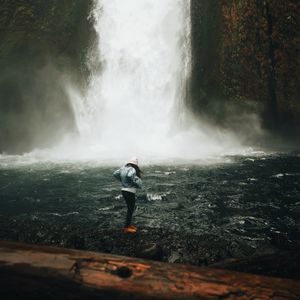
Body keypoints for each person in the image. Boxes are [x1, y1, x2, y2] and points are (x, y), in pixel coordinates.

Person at [113, 157, 143, 233]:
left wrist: (122, 180)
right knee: (130, 209)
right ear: (135, 164)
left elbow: (115, 174)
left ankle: (128, 225)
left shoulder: (123, 168)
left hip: (124, 190)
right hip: (130, 191)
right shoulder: (132, 169)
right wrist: (136, 182)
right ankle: (126, 227)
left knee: (129, 208)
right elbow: (130, 176)